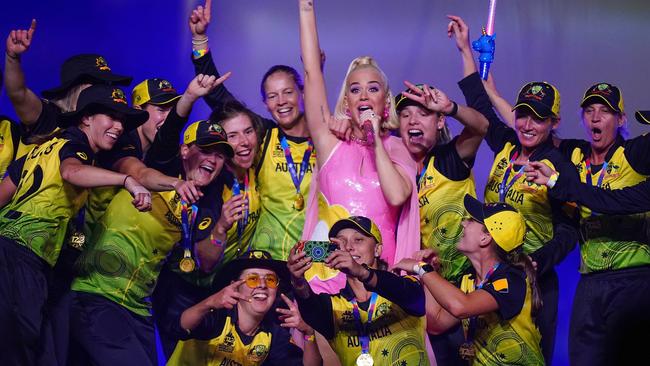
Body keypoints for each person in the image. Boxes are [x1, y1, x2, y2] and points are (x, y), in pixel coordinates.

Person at [450, 15, 579, 364]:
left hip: (533, 282)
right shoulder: (506, 144)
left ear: (554, 122)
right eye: (522, 114)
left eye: (538, 118)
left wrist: (537, 263)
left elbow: (569, 232)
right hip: (489, 275)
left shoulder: (557, 166)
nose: (526, 124)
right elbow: (479, 101)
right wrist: (464, 49)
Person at [0, 84, 150, 365]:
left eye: (123, 121)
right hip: (22, 262)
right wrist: (127, 180)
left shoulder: (45, 148)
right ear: (85, 118)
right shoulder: (75, 146)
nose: (119, 126)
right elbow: (72, 171)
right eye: (110, 116)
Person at [69, 119, 234, 366]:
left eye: (220, 155)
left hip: (140, 309)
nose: (213, 159)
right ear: (185, 150)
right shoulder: (159, 162)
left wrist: (221, 227)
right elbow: (141, 174)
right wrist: (176, 183)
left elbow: (205, 263)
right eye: (207, 150)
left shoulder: (208, 203)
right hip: (98, 293)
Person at [298, 0, 419, 286]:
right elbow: (312, 73)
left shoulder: (400, 148)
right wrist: (306, 7)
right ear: (347, 103)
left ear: (385, 104)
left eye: (373, 88)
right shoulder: (330, 142)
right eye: (355, 89)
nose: (363, 95)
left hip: (380, 273)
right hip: (326, 272)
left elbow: (397, 197)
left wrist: (375, 138)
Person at [189, 0, 318, 260]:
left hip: (311, 262)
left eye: (288, 92)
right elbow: (218, 97)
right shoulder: (265, 135)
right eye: (272, 96)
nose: (281, 102)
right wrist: (200, 40)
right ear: (265, 103)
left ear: (303, 92)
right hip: (264, 261)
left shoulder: (326, 139)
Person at [531, 84, 650, 365]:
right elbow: (531, 130)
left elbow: (606, 200)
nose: (595, 118)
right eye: (589, 110)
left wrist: (556, 182)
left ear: (620, 120)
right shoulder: (575, 155)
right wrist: (484, 82)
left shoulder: (633, 153)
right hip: (590, 283)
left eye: (605, 111)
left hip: (633, 281)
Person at [395, 82, 486, 366]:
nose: (412, 120)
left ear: (439, 121)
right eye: (406, 114)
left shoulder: (449, 159)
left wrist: (452, 107)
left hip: (461, 287)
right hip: (418, 289)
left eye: (422, 113)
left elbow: (481, 128)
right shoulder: (393, 166)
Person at [393, 195, 545, 365]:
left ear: (485, 238)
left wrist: (421, 268)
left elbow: (460, 306)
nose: (464, 223)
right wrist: (430, 271)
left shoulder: (513, 279)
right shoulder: (469, 280)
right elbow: (437, 323)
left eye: (472, 221)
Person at [288, 216, 430, 365]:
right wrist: (297, 280)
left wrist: (362, 272)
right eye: (341, 242)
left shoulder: (404, 286)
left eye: (358, 240)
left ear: (377, 249)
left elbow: (414, 298)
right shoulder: (333, 308)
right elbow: (310, 307)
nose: (348, 247)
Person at [167, 250, 321, 365]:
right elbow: (179, 327)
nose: (262, 285)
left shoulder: (272, 335)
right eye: (252, 279)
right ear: (235, 286)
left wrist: (308, 333)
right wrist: (209, 303)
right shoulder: (216, 315)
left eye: (270, 280)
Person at [4, 20, 132, 144]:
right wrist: (12, 58)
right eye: (96, 83)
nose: (105, 90)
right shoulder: (50, 115)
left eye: (107, 84)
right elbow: (18, 93)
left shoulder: (110, 129)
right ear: (74, 88)